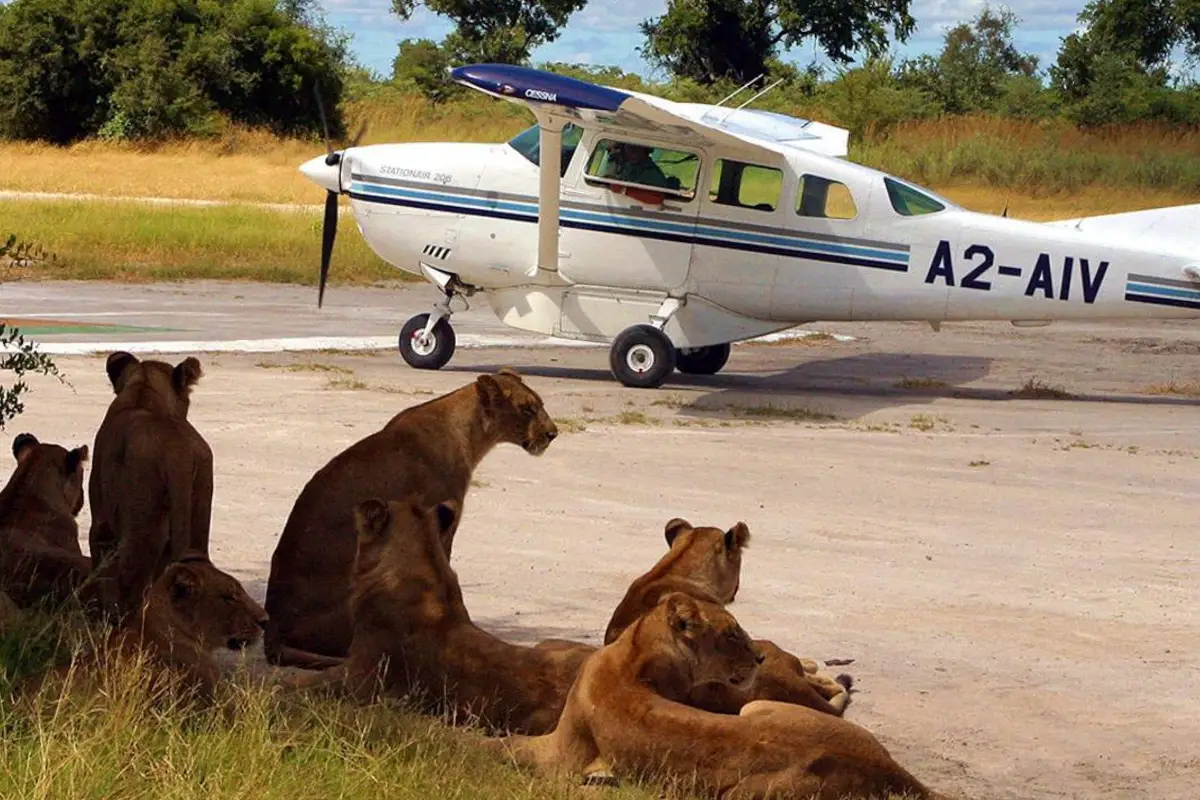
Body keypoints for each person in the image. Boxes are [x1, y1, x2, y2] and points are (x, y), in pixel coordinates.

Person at [601, 142, 676, 189]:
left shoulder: (652, 174)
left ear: (645, 151)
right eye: (630, 147)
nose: (633, 152)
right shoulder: (624, 165)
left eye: (637, 148)